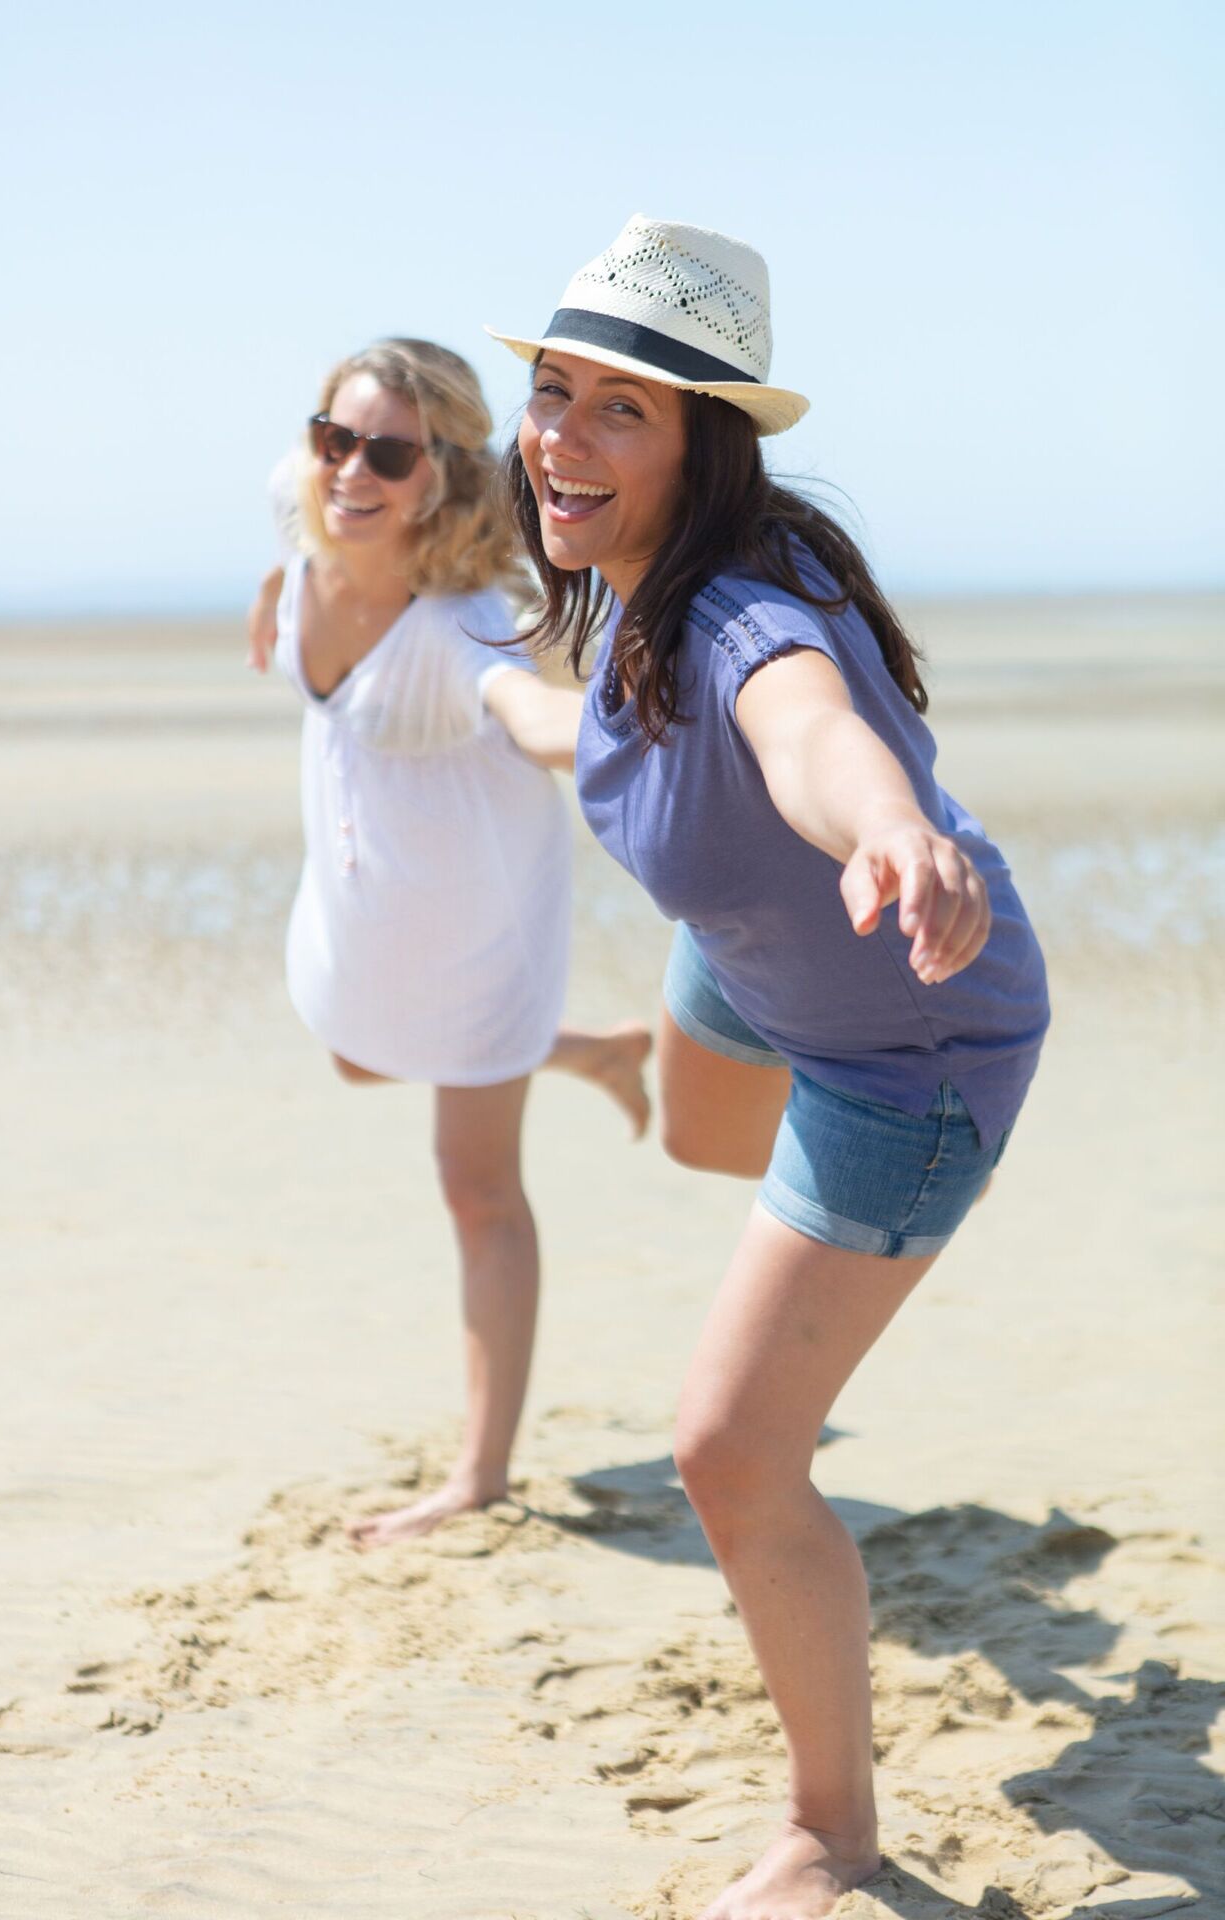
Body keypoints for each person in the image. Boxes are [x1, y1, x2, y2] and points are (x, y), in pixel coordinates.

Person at [492, 217, 1050, 1918]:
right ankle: (676, 1112)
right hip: (746, 980)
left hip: (913, 1043)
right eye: (552, 393)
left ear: (705, 442)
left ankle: (834, 1833)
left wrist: (894, 828)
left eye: (620, 413)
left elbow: (813, 732)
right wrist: (455, 688)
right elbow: (569, 722)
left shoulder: (739, 611)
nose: (563, 440)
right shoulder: (636, 597)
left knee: (731, 1455)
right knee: (683, 1142)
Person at [254, 338, 651, 1547]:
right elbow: (295, 546)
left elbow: (531, 715)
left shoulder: (467, 625)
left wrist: (625, 737)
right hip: (364, 906)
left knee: (477, 1192)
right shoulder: (303, 516)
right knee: (356, 1053)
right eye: (336, 438)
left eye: (387, 453)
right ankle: (587, 1050)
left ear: (441, 473)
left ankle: (478, 1473)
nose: (350, 471)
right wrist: (274, 615)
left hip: (469, 927)